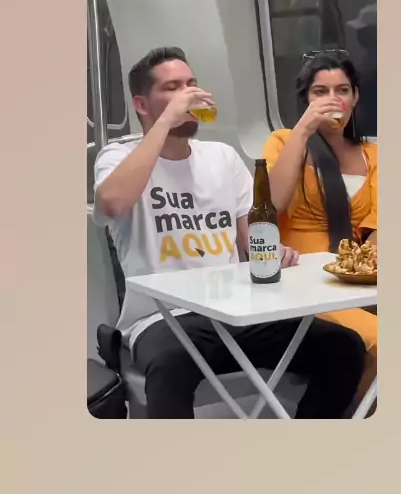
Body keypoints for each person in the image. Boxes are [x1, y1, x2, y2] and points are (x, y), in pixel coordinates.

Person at [93, 46, 366, 419]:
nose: (188, 94)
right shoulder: (117, 157)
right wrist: (166, 122)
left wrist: (272, 251)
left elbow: (250, 238)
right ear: (141, 104)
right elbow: (111, 204)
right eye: (172, 88)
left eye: (191, 83)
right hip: (163, 318)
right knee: (171, 365)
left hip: (236, 311)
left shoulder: (221, 157)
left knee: (343, 347)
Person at [262, 49, 377, 401]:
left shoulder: (373, 156)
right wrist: (303, 131)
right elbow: (270, 206)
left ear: (355, 97)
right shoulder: (284, 142)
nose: (333, 99)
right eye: (320, 91)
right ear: (306, 99)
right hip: (302, 279)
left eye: (342, 90)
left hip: (355, 276)